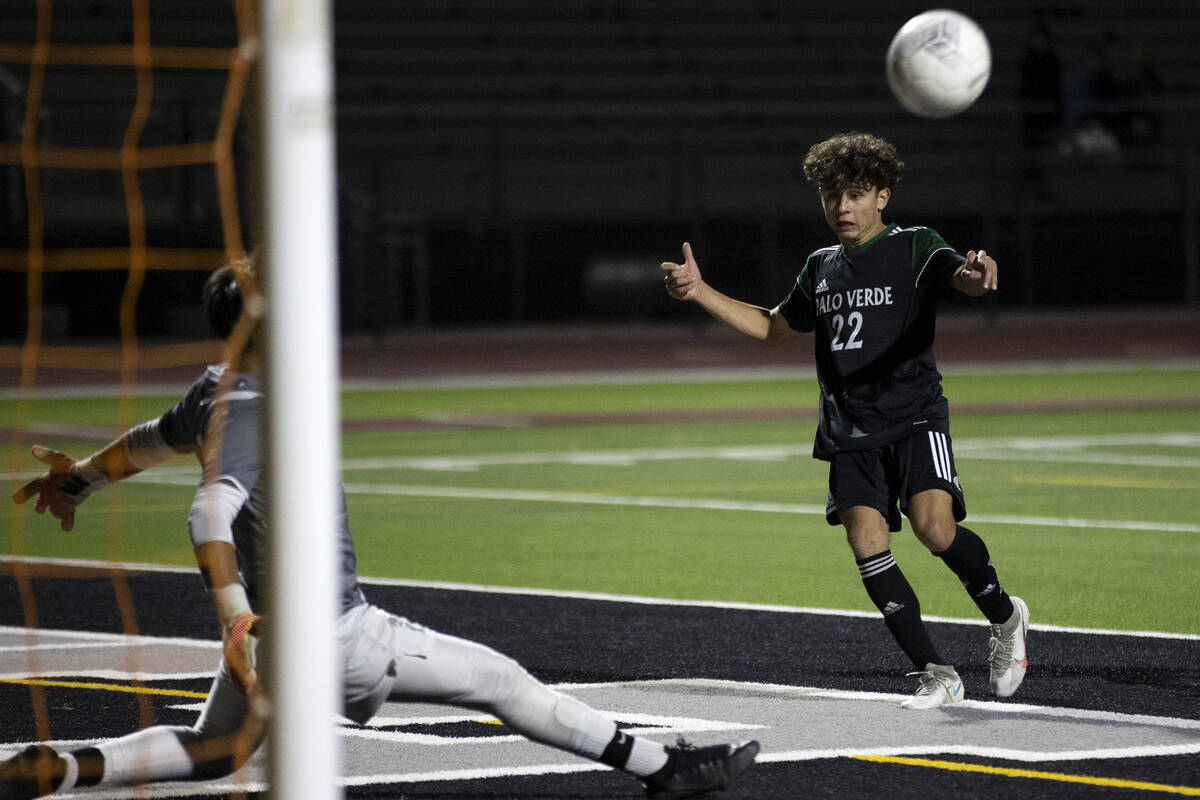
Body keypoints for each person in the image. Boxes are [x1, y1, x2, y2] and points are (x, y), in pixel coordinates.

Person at [2, 259, 758, 799]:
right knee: (500, 680)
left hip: (276, 636)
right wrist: (234, 620)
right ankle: (667, 768)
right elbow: (208, 508)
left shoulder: (216, 387)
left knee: (217, 749)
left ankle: (62, 768)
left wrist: (80, 478)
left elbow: (150, 440)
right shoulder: (262, 404)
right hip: (331, 633)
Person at [660, 132, 1029, 710]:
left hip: (914, 418)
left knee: (935, 531)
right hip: (849, 430)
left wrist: (977, 275)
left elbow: (959, 276)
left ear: (883, 196)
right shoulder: (820, 267)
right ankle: (937, 671)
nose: (842, 208)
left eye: (855, 195)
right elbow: (771, 327)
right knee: (867, 543)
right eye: (831, 196)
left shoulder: (916, 246)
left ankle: (1006, 619)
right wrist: (701, 291)